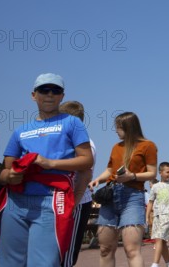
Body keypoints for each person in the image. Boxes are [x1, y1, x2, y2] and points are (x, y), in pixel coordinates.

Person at [0, 73, 93, 267]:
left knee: (42, 263)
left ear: (62, 96)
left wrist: (50, 164)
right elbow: (8, 167)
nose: (49, 94)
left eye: (55, 90)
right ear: (34, 95)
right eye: (44, 90)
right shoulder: (20, 131)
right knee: (10, 263)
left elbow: (86, 160)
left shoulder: (72, 123)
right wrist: (9, 175)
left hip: (50, 202)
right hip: (16, 203)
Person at [88, 111, 157, 267]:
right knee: (105, 248)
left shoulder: (148, 146)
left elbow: (152, 173)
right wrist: (98, 180)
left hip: (132, 197)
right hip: (111, 195)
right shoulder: (116, 147)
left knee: (132, 250)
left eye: (118, 128)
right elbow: (110, 170)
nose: (116, 131)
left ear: (128, 127)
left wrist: (132, 176)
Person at [59, 101, 96, 267]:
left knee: (67, 251)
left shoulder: (85, 144)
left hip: (77, 202)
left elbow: (84, 176)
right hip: (61, 201)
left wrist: (72, 203)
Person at [146, 162, 169, 267]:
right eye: (167, 172)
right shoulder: (155, 187)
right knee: (162, 242)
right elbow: (150, 202)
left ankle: (155, 264)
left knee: (159, 239)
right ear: (160, 173)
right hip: (157, 215)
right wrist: (147, 216)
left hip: (168, 214)